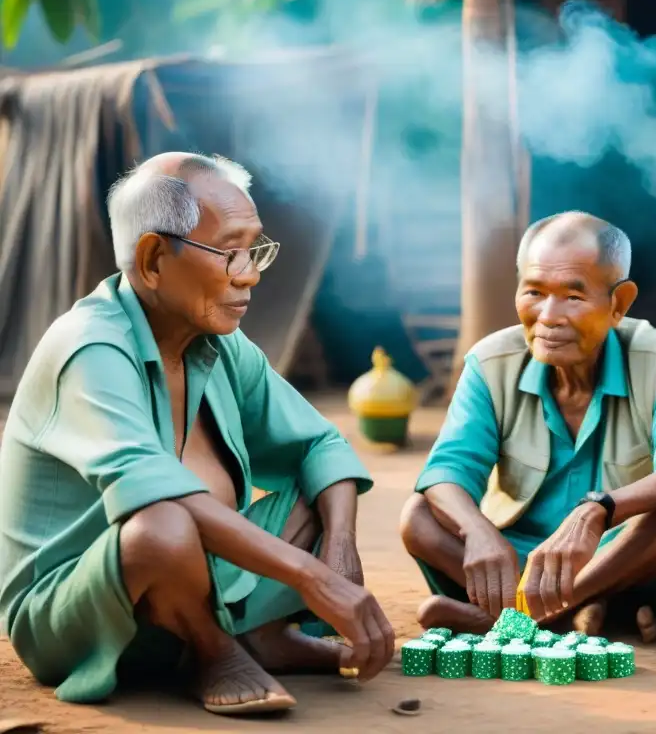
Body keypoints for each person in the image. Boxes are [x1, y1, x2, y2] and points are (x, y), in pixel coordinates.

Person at [0, 153, 394, 715]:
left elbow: (321, 445)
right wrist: (311, 578)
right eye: (230, 252)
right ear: (155, 259)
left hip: (199, 582)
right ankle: (212, 650)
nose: (251, 273)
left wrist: (338, 552)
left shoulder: (220, 344)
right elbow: (156, 498)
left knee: (323, 493)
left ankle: (262, 636)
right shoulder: (89, 347)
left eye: (255, 249)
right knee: (161, 526)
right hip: (72, 617)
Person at [399, 211, 656, 641]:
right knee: (419, 515)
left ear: (618, 304)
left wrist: (596, 510)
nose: (549, 316)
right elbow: (445, 473)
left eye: (573, 296)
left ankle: (525, 618)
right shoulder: (491, 361)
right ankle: (581, 614)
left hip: (623, 557)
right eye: (534, 292)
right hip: (521, 563)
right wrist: (478, 532)